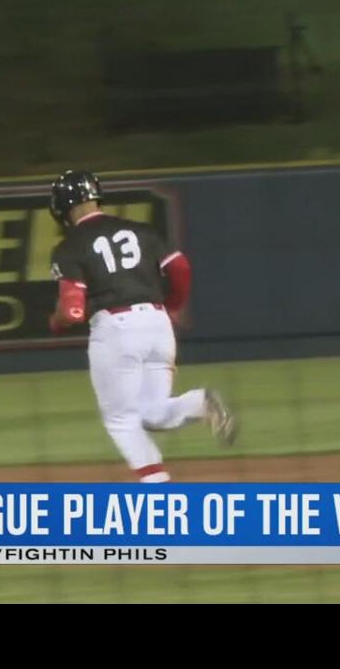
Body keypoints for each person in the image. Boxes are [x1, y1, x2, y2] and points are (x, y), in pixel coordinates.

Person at [46, 170, 236, 483]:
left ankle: (157, 488)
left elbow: (73, 309)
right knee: (151, 412)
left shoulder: (70, 247)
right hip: (158, 325)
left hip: (116, 329)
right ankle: (200, 402)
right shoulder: (141, 231)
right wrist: (172, 306)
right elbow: (180, 267)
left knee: (120, 419)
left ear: (61, 207)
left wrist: (56, 322)